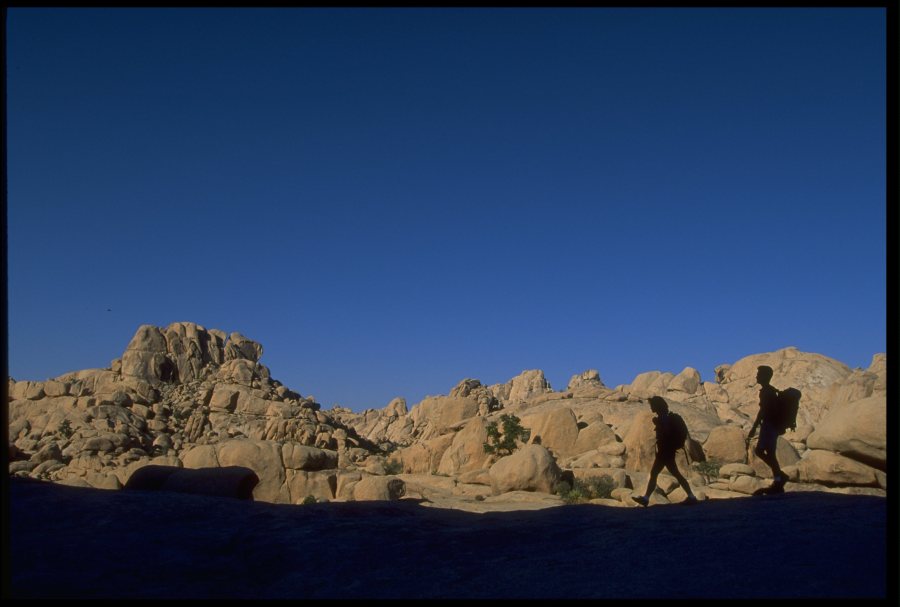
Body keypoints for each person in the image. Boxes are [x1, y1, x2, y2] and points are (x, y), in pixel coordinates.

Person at [632, 396, 698, 507]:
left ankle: (646, 498)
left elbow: (666, 433)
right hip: (667, 450)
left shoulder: (663, 418)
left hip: (665, 451)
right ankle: (691, 496)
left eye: (652, 405)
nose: (651, 407)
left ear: (656, 405)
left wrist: (659, 425)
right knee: (671, 474)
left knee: (657, 473)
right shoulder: (665, 417)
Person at [746, 365, 787, 493]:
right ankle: (779, 478)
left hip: (769, 425)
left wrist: (754, 427)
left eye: (759, 374)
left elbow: (763, 411)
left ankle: (779, 479)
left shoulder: (766, 392)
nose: (756, 376)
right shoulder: (770, 390)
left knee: (764, 451)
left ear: (765, 376)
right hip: (771, 425)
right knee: (766, 452)